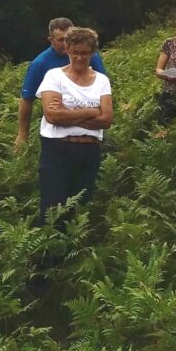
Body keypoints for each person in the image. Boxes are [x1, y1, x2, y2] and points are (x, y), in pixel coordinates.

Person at [35, 26, 113, 226]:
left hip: (89, 151)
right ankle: (47, 254)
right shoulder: (54, 76)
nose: (79, 58)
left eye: (85, 53)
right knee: (52, 208)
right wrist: (91, 111)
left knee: (79, 208)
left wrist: (68, 113)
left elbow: (106, 120)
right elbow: (52, 116)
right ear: (68, 50)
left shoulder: (101, 81)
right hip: (57, 150)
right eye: (75, 52)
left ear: (92, 53)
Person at [14, 17, 107, 152]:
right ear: (50, 40)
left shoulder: (91, 56)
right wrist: (22, 134)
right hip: (59, 134)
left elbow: (103, 89)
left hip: (91, 134)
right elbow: (27, 99)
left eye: (68, 38)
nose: (66, 44)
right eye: (61, 40)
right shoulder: (40, 64)